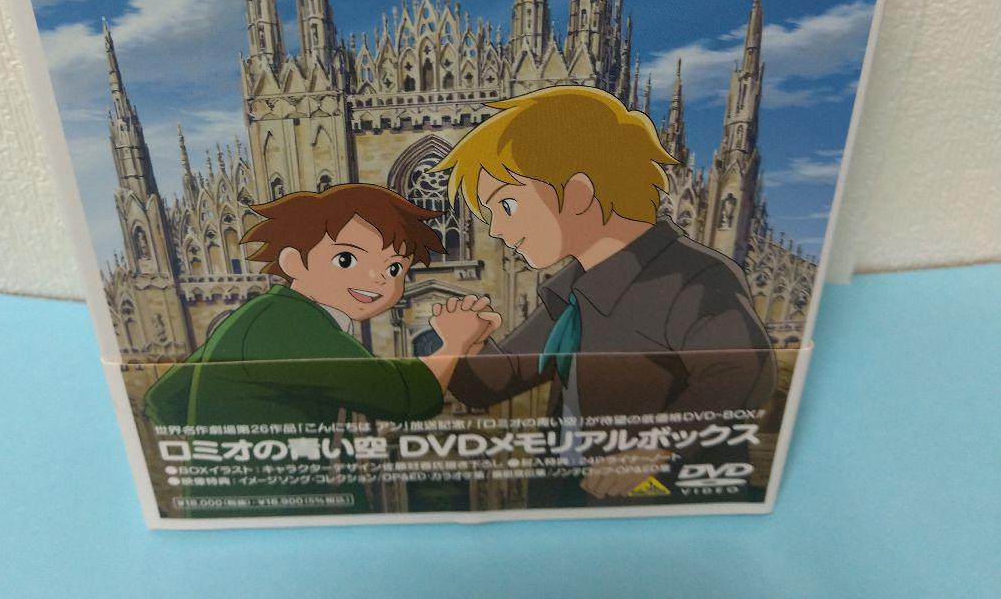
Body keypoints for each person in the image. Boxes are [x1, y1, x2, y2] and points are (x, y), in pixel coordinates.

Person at [430, 85, 776, 504]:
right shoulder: (572, 293)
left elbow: (744, 368)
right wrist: (465, 344)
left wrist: (657, 446)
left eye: (507, 206)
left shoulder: (692, 275)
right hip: (569, 496)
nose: (498, 230)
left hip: (664, 508)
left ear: (578, 193)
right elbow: (497, 381)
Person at [144, 183, 496, 513]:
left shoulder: (262, 315)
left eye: (394, 268)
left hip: (248, 509)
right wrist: (454, 342)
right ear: (294, 262)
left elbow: (164, 400)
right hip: (283, 512)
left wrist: (239, 451)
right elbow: (408, 399)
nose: (378, 278)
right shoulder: (290, 324)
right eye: (346, 260)